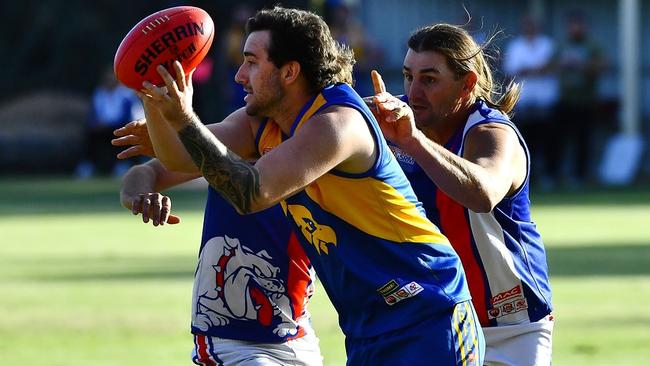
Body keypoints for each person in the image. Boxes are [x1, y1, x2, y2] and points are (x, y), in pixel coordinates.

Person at [114, 6, 483, 365]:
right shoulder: (263, 120)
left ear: (290, 72)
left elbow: (251, 192)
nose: (240, 75)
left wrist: (184, 119)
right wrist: (154, 93)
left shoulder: (338, 124)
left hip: (427, 310)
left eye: (252, 62)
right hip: (367, 326)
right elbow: (180, 157)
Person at [368, 23, 553, 365]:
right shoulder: (395, 119)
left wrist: (413, 142)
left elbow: (483, 193)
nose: (413, 91)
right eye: (408, 76)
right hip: (434, 320)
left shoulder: (491, 132)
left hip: (509, 325)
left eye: (430, 79)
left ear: (467, 84)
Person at [120, 157, 323, 366]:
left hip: (297, 335)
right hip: (231, 341)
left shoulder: (316, 147)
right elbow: (146, 171)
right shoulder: (235, 141)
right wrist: (141, 198)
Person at [503, 15, 558, 188]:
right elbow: (511, 71)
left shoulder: (548, 45)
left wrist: (528, 70)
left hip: (546, 103)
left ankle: (549, 176)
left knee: (549, 142)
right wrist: (537, 69)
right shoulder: (516, 46)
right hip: (524, 104)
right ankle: (528, 178)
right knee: (526, 143)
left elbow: (553, 66)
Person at [551, 10, 605, 186]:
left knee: (583, 140)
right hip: (565, 100)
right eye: (572, 25)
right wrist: (563, 65)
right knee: (559, 139)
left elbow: (602, 66)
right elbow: (549, 65)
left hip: (586, 101)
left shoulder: (592, 46)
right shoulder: (562, 45)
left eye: (579, 25)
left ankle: (580, 176)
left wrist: (581, 65)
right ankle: (554, 175)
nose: (575, 29)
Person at [75, 67, 143, 178]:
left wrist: (110, 124)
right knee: (90, 135)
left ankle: (122, 164)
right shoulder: (99, 93)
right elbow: (94, 113)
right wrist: (95, 123)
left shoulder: (126, 94)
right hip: (102, 129)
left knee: (123, 134)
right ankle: (87, 165)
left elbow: (127, 115)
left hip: (121, 126)